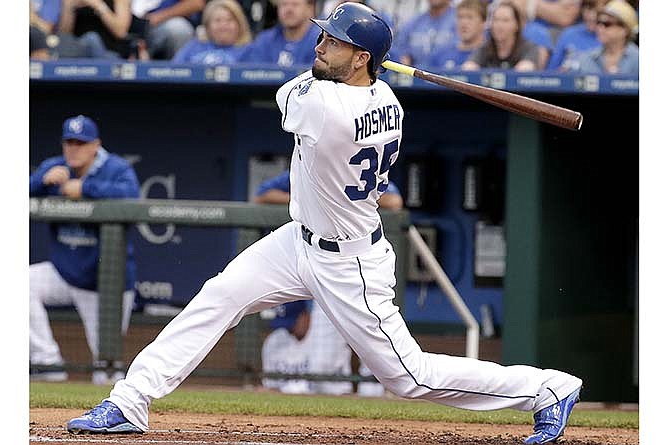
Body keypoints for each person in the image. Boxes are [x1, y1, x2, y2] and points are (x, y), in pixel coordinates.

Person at [66, 4, 582, 444]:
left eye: (335, 42)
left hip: (349, 261)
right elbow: (333, 79)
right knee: (218, 297)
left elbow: (289, 92)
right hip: (298, 241)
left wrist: (344, 69)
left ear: (361, 58)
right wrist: (358, 64)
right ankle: (129, 402)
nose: (320, 45)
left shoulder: (323, 107)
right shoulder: (388, 101)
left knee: (409, 377)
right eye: (324, 35)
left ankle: (546, 388)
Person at [255, 170, 403, 396]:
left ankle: (377, 412)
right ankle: (338, 420)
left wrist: (340, 199)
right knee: (322, 366)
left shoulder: (361, 167)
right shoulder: (309, 168)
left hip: (368, 269)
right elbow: (261, 196)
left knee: (378, 354)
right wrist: (309, 199)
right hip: (329, 271)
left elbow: (394, 201)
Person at [29, 115, 140, 385]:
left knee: (107, 369)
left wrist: (86, 188)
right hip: (64, 273)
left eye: (81, 143)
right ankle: (48, 364)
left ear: (96, 145)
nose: (74, 149)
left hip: (106, 284)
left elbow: (132, 196)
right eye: (69, 142)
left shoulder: (116, 168)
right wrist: (41, 182)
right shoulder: (54, 167)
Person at [462, 0, 542, 71]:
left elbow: (525, 70)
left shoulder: (529, 48)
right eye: (496, 20)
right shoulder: (485, 47)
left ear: (517, 25)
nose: (499, 26)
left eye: (505, 20)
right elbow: (468, 67)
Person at [242, 0, 320, 67]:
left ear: (310, 8)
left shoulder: (321, 40)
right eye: (284, 4)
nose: (289, 10)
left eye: (295, 4)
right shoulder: (265, 40)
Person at [172, 0, 252, 65]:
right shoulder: (193, 46)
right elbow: (173, 71)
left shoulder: (249, 50)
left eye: (229, 20)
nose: (223, 25)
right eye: (218, 20)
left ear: (239, 24)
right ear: (207, 26)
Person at [573, 0, 638, 75]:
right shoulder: (586, 59)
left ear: (625, 30)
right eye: (598, 22)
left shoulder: (638, 59)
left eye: (607, 24)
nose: (600, 28)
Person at [131, 0, 206, 60]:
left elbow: (196, 3)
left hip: (158, 26)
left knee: (178, 28)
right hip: (130, 28)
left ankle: (178, 72)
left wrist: (157, 17)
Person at [58, 0, 135, 58]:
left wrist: (98, 6)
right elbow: (64, 34)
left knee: (92, 39)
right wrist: (69, 8)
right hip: (78, 52)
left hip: (109, 52)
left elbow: (121, 32)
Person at [392, 0, 457, 67]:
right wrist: (405, 58)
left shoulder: (460, 18)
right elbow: (400, 49)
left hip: (450, 73)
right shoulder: (414, 22)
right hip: (417, 74)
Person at [546, 0, 608, 71]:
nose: (591, 16)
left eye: (597, 11)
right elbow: (551, 72)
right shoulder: (569, 34)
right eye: (588, 9)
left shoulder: (610, 39)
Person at [430, 0, 487, 71]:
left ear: (483, 22)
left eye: (470, 17)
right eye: (460, 17)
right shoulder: (440, 54)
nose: (464, 23)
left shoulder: (490, 55)